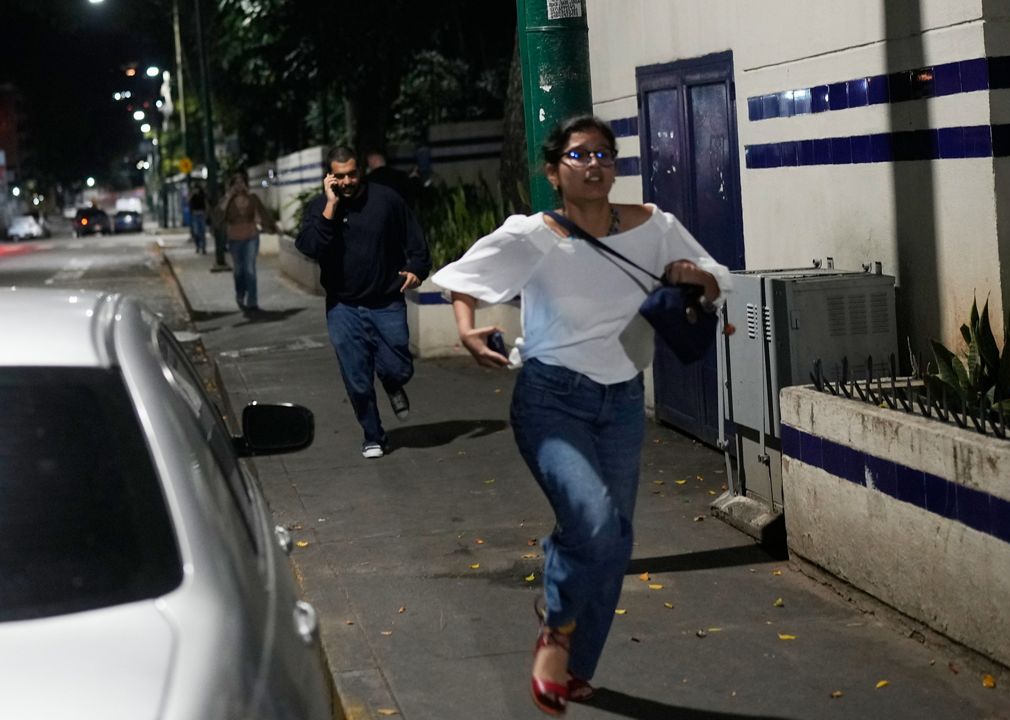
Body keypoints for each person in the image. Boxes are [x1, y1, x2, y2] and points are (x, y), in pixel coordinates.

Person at [432, 115, 731, 716]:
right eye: (579, 155)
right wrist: (467, 332)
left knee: (614, 543)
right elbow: (461, 281)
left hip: (620, 402)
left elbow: (718, 280)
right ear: (554, 171)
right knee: (594, 523)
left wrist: (695, 276)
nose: (594, 164)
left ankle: (575, 669)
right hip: (550, 400)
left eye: (603, 154)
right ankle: (556, 625)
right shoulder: (532, 235)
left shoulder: (655, 227)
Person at [296, 145, 430, 459]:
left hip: (387, 301)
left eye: (352, 174)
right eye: (339, 176)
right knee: (356, 377)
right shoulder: (320, 208)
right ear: (329, 177)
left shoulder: (386, 200)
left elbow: (415, 240)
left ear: (361, 172)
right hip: (343, 307)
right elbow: (311, 247)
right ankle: (373, 434)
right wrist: (330, 208)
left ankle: (392, 382)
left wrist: (417, 268)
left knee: (398, 367)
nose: (346, 181)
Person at [212, 171, 276, 313]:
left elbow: (263, 214)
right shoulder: (227, 201)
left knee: (250, 269)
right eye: (236, 183)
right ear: (232, 185)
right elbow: (218, 216)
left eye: (242, 182)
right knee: (239, 271)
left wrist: (271, 228)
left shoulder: (252, 198)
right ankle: (240, 294)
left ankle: (252, 302)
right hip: (235, 239)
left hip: (251, 236)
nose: (239, 185)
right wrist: (228, 197)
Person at [188, 183, 208, 254]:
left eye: (197, 189)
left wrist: (206, 213)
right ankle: (198, 246)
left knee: (202, 231)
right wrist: (192, 194)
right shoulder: (192, 196)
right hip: (195, 214)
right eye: (195, 189)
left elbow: (205, 203)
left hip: (201, 214)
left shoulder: (202, 195)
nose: (196, 190)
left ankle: (203, 248)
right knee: (196, 232)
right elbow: (188, 200)